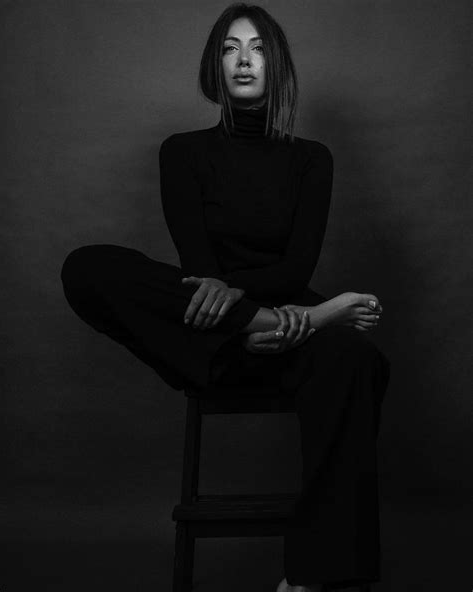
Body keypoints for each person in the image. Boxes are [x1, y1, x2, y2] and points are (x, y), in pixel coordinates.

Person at [60, 3, 390, 591]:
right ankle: (298, 319)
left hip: (287, 321)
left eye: (258, 48)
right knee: (88, 266)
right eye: (230, 49)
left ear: (277, 65)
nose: (243, 61)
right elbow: (200, 273)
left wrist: (272, 313)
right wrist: (251, 315)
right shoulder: (182, 151)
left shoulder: (311, 158)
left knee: (356, 358)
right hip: (212, 329)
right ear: (214, 66)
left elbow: (296, 266)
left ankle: (316, 576)